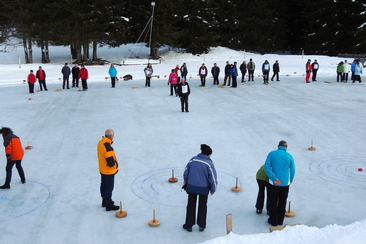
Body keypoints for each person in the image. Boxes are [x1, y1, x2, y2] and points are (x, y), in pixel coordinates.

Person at [182, 144, 217, 232]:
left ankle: (189, 225)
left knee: (191, 205)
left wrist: (186, 181)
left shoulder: (193, 160)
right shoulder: (209, 164)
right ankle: (201, 225)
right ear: (208, 154)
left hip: (191, 187)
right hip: (203, 189)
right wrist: (213, 189)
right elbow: (212, 178)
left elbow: (186, 172)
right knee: (202, 206)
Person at [265, 140, 295, 227]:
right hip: (285, 184)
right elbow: (293, 171)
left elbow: (267, 168)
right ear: (286, 147)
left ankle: (273, 221)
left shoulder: (271, 154)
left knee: (273, 202)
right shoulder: (290, 156)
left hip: (274, 184)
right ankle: (280, 221)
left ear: (278, 146)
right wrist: (290, 181)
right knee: (282, 201)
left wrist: (274, 179)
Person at [97, 129, 120, 211]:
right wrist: (115, 166)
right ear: (110, 136)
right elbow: (110, 162)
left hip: (103, 169)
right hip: (108, 171)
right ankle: (108, 204)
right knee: (109, 188)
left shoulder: (101, 143)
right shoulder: (108, 146)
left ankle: (104, 200)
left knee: (103, 185)